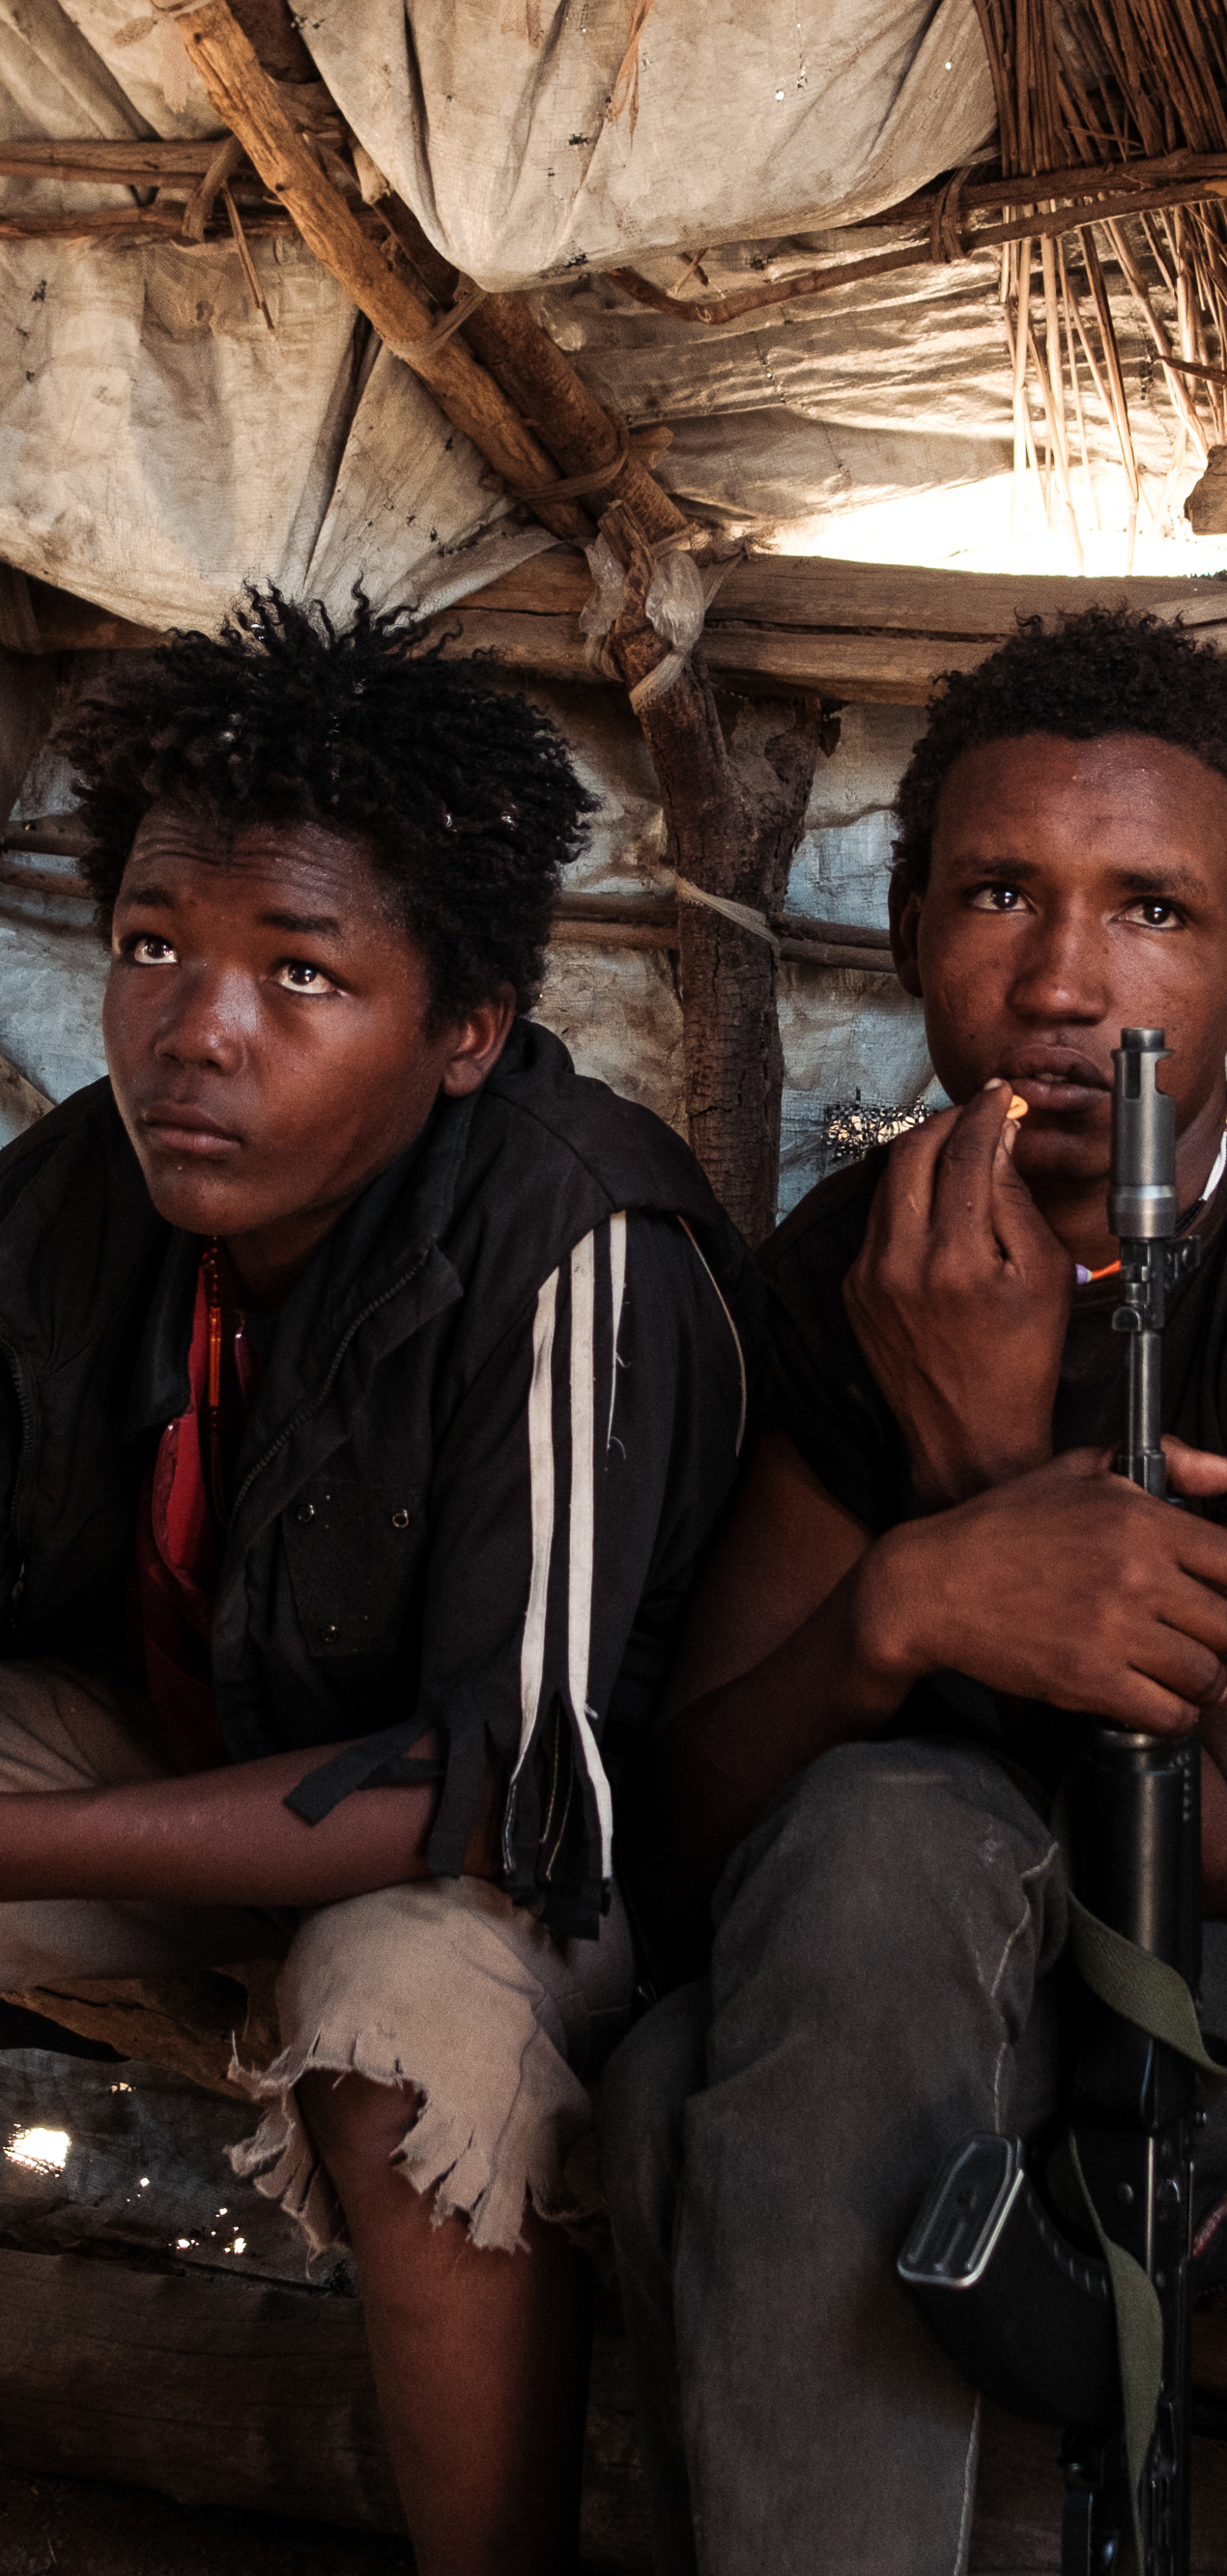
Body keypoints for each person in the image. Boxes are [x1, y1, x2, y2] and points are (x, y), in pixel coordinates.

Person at [600, 608, 1227, 2576]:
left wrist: (988, 1474)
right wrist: (898, 1601)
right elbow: (691, 1842)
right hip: (967, 1914)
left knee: (850, 1921)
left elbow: (1217, 1837)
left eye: (1149, 908)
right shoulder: (855, 1264)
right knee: (661, 2074)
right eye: (998, 893)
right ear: (909, 931)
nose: (1063, 982)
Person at [0, 592, 759, 2576]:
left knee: (400, 2017)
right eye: (152, 945)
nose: (199, 1027)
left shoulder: (577, 1237)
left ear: (465, 1030)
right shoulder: (91, 1190)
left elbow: (505, 1800)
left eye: (300, 970)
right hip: (203, 1782)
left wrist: (18, 1843)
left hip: (543, 1888)